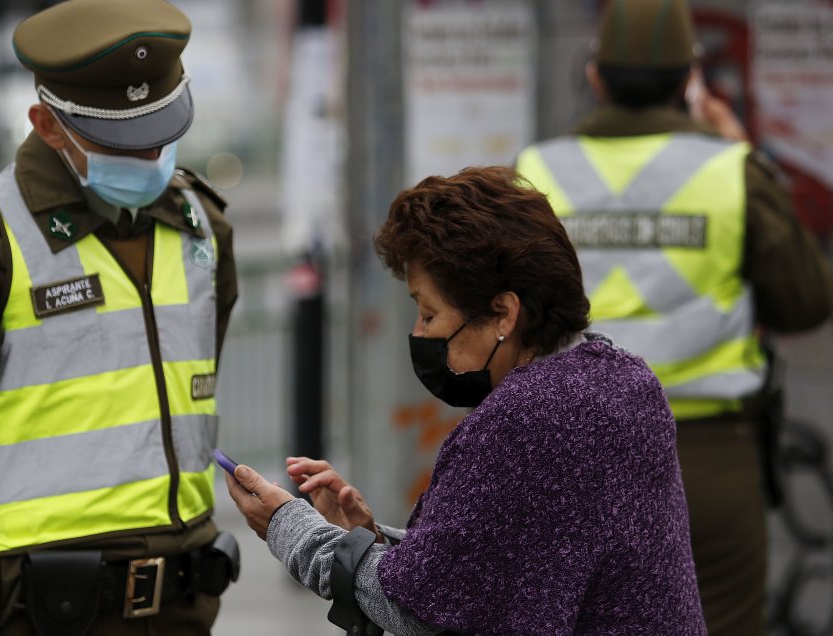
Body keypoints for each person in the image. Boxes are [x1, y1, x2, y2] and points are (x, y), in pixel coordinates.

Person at [0, 1, 240, 634]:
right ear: (47, 123)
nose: (150, 156)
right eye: (121, 139)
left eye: (160, 129)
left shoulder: (204, 227)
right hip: (39, 606)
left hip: (185, 598)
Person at [224, 166, 706, 635]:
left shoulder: (524, 419)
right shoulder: (626, 382)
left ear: (503, 313)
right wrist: (373, 541)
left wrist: (289, 527)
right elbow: (507, 564)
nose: (418, 333)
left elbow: (422, 611)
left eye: (429, 314)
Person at [514, 0, 833, 634]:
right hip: (708, 461)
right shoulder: (731, 170)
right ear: (690, 79)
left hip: (569, 459)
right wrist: (746, 155)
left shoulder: (536, 173)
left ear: (597, 75)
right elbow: (806, 300)